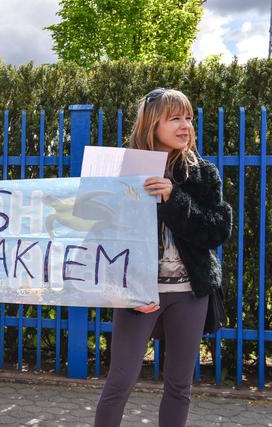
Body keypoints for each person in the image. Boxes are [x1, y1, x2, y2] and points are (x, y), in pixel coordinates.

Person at [94, 88, 233, 427]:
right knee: (119, 383)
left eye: (188, 117)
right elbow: (100, 233)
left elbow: (216, 230)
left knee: (179, 386)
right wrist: (124, 289)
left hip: (189, 292)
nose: (186, 125)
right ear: (151, 124)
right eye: (175, 118)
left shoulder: (203, 173)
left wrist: (174, 197)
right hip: (139, 293)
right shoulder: (122, 171)